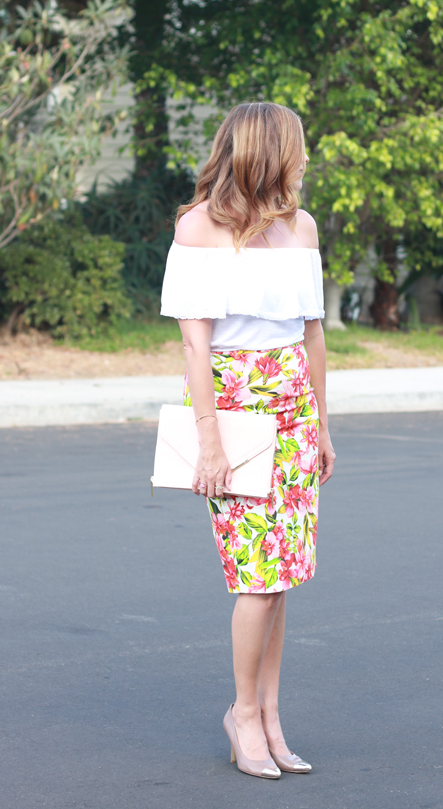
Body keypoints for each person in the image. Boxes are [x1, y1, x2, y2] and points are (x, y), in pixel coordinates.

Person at [160, 101, 336, 779]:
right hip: (232, 412)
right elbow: (194, 347)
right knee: (257, 577)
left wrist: (321, 424)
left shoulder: (301, 227)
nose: (306, 157)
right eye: (298, 145)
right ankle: (240, 712)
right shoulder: (199, 228)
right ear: (267, 151)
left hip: (293, 408)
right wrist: (208, 442)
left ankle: (268, 714)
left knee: (283, 574)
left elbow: (312, 335)